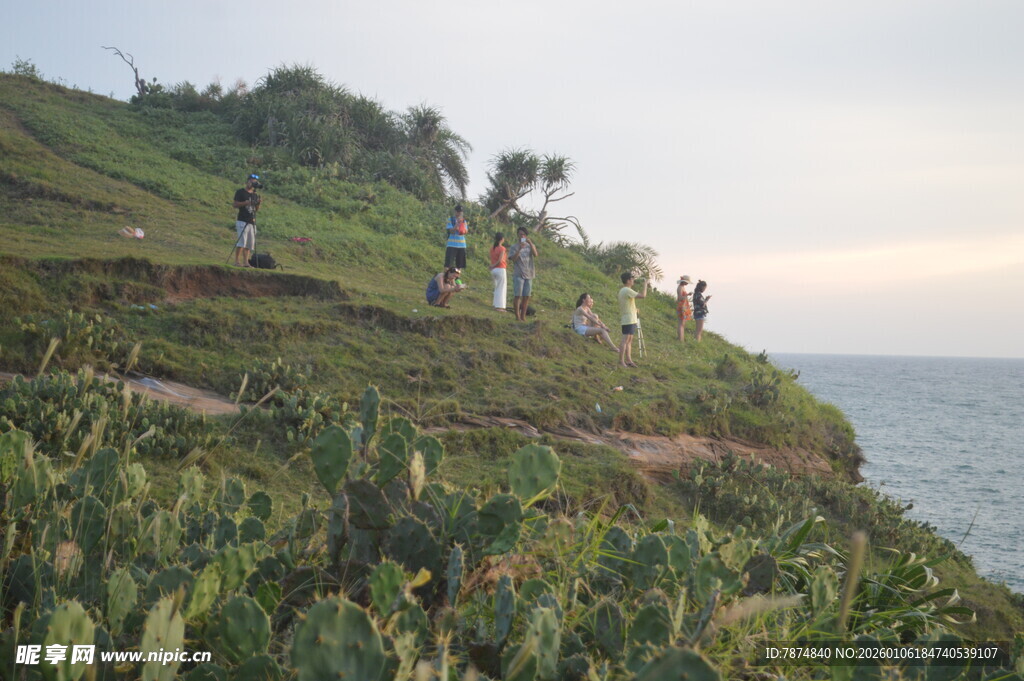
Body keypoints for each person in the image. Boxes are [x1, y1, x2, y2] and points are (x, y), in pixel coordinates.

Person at [618, 271, 649, 368]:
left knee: (629, 340)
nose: (633, 280)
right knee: (625, 340)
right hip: (628, 319)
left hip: (631, 318)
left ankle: (628, 359)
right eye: (632, 279)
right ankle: (621, 361)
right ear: (628, 280)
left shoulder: (625, 290)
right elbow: (642, 296)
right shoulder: (626, 290)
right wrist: (645, 285)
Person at [508, 226, 538, 321]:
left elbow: (535, 254)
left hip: (529, 274)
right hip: (519, 274)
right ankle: (517, 316)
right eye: (520, 234)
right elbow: (513, 259)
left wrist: (530, 243)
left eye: (524, 234)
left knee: (526, 296)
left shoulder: (530, 246)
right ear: (517, 235)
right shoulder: (514, 247)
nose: (522, 236)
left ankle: (523, 316)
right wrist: (519, 249)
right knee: (517, 296)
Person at [232, 173, 262, 267]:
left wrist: (258, 204)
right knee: (242, 241)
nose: (253, 183)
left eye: (255, 182)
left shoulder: (255, 195)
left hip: (251, 221)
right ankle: (237, 261)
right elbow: (235, 205)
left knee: (249, 243)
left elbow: (256, 210)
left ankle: (246, 262)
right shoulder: (240, 192)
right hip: (242, 220)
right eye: (252, 181)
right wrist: (246, 203)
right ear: (248, 181)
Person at [444, 204, 468, 270]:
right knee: (448, 264)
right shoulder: (450, 219)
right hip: (452, 244)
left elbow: (465, 231)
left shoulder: (464, 221)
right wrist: (457, 224)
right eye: (458, 211)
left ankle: (457, 279)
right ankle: (446, 278)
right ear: (455, 211)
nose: (459, 213)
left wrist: (462, 227)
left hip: (461, 245)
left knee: (459, 265)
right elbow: (451, 231)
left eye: (461, 211)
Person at [489, 232, 508, 312]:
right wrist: (494, 265)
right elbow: (500, 260)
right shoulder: (502, 248)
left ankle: (495, 304)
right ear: (502, 239)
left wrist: (492, 266)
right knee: (502, 288)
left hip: (494, 270)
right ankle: (500, 306)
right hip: (500, 269)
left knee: (497, 287)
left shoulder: (492, 248)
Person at [676, 275, 693, 342]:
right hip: (682, 306)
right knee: (681, 324)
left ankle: (681, 338)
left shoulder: (682, 287)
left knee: (682, 324)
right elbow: (680, 298)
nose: (687, 283)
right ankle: (680, 339)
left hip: (683, 306)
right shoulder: (680, 288)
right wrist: (687, 295)